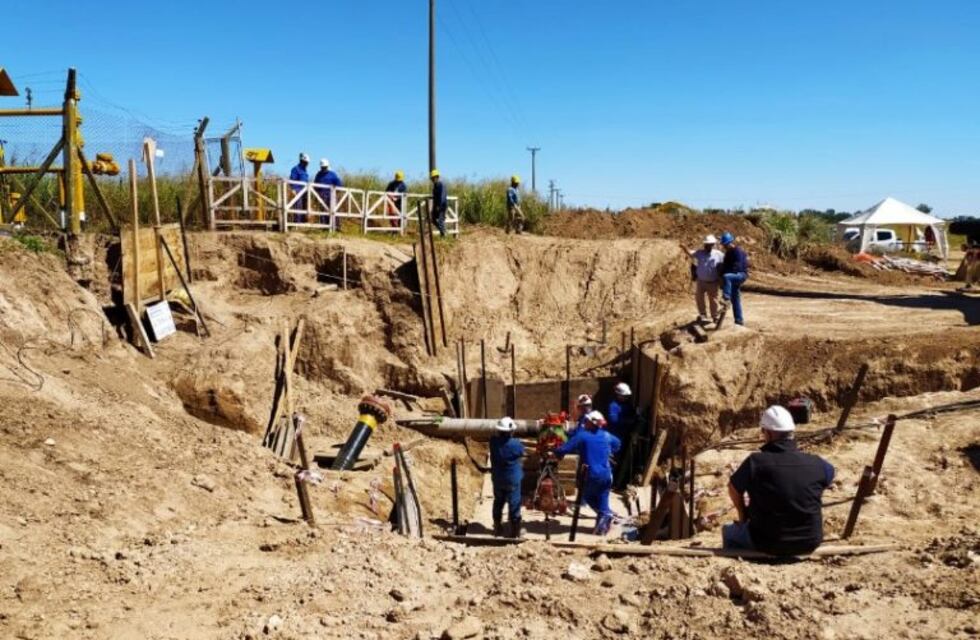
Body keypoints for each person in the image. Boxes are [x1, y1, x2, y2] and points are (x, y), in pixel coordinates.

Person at [724, 405, 835, 556]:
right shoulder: (817, 463)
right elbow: (829, 476)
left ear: (769, 434)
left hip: (766, 542)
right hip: (809, 542)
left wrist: (743, 515)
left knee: (729, 533)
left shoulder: (755, 462)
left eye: (763, 431)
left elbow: (733, 487)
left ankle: (740, 564)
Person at [554, 410, 621, 535]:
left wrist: (555, 451)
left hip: (591, 474)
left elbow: (564, 449)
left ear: (592, 423)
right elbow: (618, 444)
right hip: (607, 474)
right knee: (602, 496)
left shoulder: (583, 436)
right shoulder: (607, 436)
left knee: (588, 496)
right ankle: (602, 525)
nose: (585, 423)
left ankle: (605, 515)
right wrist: (608, 451)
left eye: (587, 421)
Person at [489, 416, 525, 538]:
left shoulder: (493, 442)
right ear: (511, 431)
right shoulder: (516, 444)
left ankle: (498, 527)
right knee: (514, 503)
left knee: (498, 501)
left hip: (498, 479)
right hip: (512, 480)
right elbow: (522, 452)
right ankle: (514, 532)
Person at [689, 234, 725, 323]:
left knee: (713, 300)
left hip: (713, 282)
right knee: (699, 299)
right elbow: (690, 253)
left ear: (713, 244)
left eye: (709, 244)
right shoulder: (700, 253)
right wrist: (683, 247)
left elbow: (726, 263)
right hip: (701, 281)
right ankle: (703, 315)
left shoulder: (719, 254)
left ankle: (714, 316)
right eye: (706, 244)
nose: (707, 246)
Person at [719, 231, 750, 326]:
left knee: (727, 276)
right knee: (736, 299)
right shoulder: (728, 254)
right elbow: (725, 267)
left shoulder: (738, 252)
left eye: (726, 244)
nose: (725, 246)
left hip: (741, 275)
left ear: (730, 243)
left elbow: (738, 268)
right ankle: (739, 320)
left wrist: (726, 274)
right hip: (733, 277)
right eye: (724, 245)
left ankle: (726, 298)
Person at [289, 153, 310, 222]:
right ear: (302, 161)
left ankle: (303, 223)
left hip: (306, 192)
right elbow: (292, 180)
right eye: (306, 162)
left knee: (305, 207)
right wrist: (293, 189)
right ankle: (297, 224)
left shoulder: (305, 171)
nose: (307, 164)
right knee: (298, 207)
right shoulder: (295, 169)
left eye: (307, 163)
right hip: (298, 191)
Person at [430, 169, 448, 237]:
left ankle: (444, 234)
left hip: (442, 206)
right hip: (436, 206)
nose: (432, 179)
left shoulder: (441, 185)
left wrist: (439, 206)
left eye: (433, 177)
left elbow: (442, 197)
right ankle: (443, 232)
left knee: (440, 221)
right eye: (432, 178)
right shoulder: (435, 185)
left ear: (437, 177)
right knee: (433, 219)